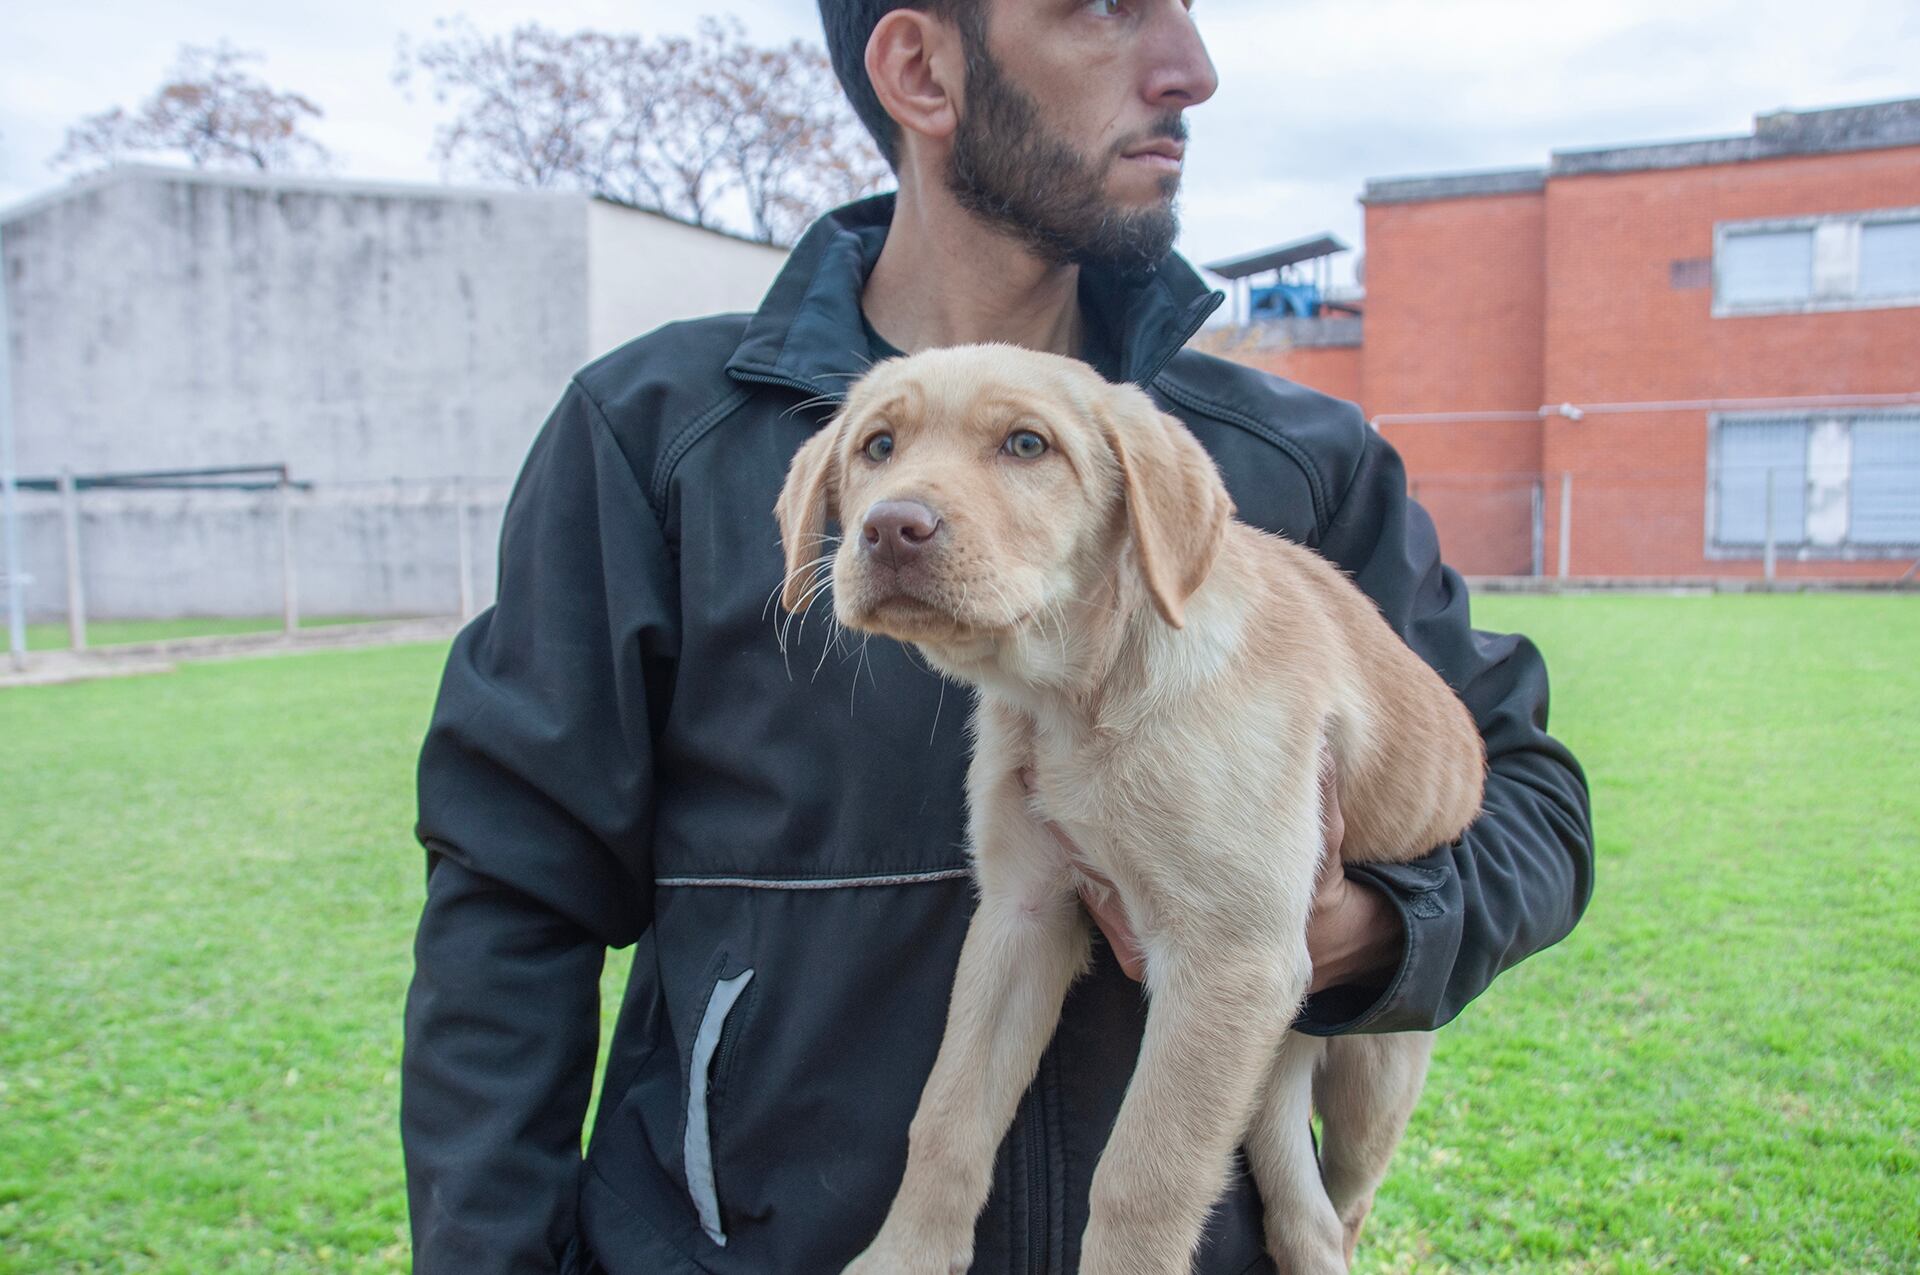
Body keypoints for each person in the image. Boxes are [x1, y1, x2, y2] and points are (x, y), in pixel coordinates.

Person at [401, 2, 1595, 1272]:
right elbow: (508, 907)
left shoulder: (1283, 465)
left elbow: (1533, 809)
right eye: (1106, 10)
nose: (1189, 71)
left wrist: (1352, 930)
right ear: (922, 67)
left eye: (1188, 16)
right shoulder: (654, 436)